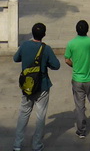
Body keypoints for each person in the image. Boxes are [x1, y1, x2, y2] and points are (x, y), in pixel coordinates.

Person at [13, 22, 60, 151]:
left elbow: (16, 58)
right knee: (40, 115)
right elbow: (56, 65)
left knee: (24, 113)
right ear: (44, 34)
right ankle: (37, 144)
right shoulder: (46, 48)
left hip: (27, 85)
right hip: (42, 86)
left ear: (32, 33)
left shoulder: (24, 45)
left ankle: (17, 144)